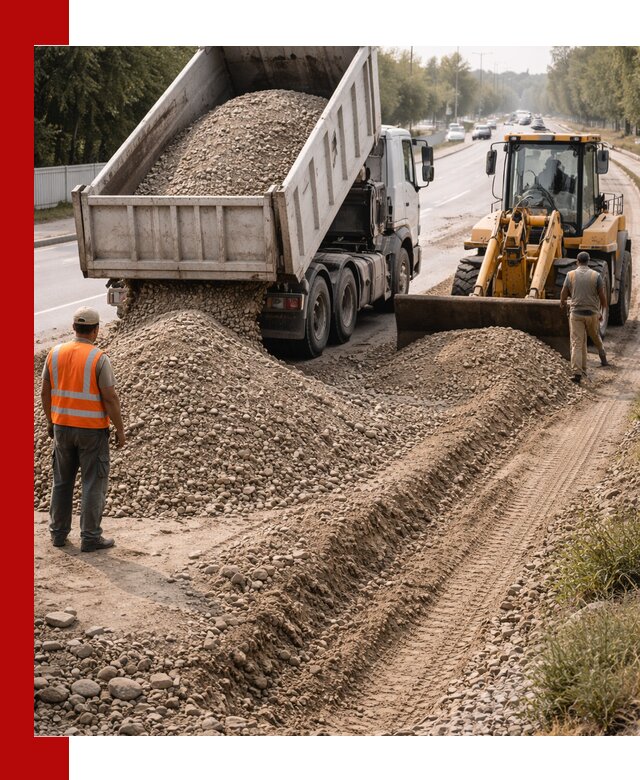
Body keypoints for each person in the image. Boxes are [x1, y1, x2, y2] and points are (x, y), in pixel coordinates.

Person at [40, 307, 125, 551]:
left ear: (74, 327)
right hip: (91, 431)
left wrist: (50, 421)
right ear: (96, 330)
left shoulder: (54, 353)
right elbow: (110, 397)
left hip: (62, 428)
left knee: (62, 481)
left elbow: (45, 391)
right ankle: (90, 537)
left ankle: (57, 534)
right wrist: (119, 429)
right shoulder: (99, 358)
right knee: (92, 483)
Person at [560, 251, 608, 383]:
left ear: (577, 261)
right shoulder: (596, 275)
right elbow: (602, 298)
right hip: (592, 314)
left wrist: (562, 302)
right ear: (589, 261)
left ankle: (577, 373)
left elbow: (563, 293)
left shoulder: (570, 275)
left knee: (577, 342)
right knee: (595, 336)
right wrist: (601, 312)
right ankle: (602, 357)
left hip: (576, 314)